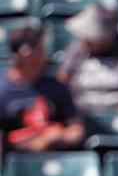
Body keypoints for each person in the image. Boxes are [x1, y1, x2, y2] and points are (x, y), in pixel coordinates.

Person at [57, 3, 118, 113]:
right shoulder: (76, 52)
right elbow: (61, 86)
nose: (86, 42)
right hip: (82, 116)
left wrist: (116, 116)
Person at [0, 25, 84, 153]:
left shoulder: (56, 87)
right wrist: (32, 143)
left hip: (55, 158)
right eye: (39, 50)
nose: (43, 55)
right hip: (15, 161)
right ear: (24, 54)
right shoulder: (2, 88)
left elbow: (76, 130)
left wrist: (61, 136)